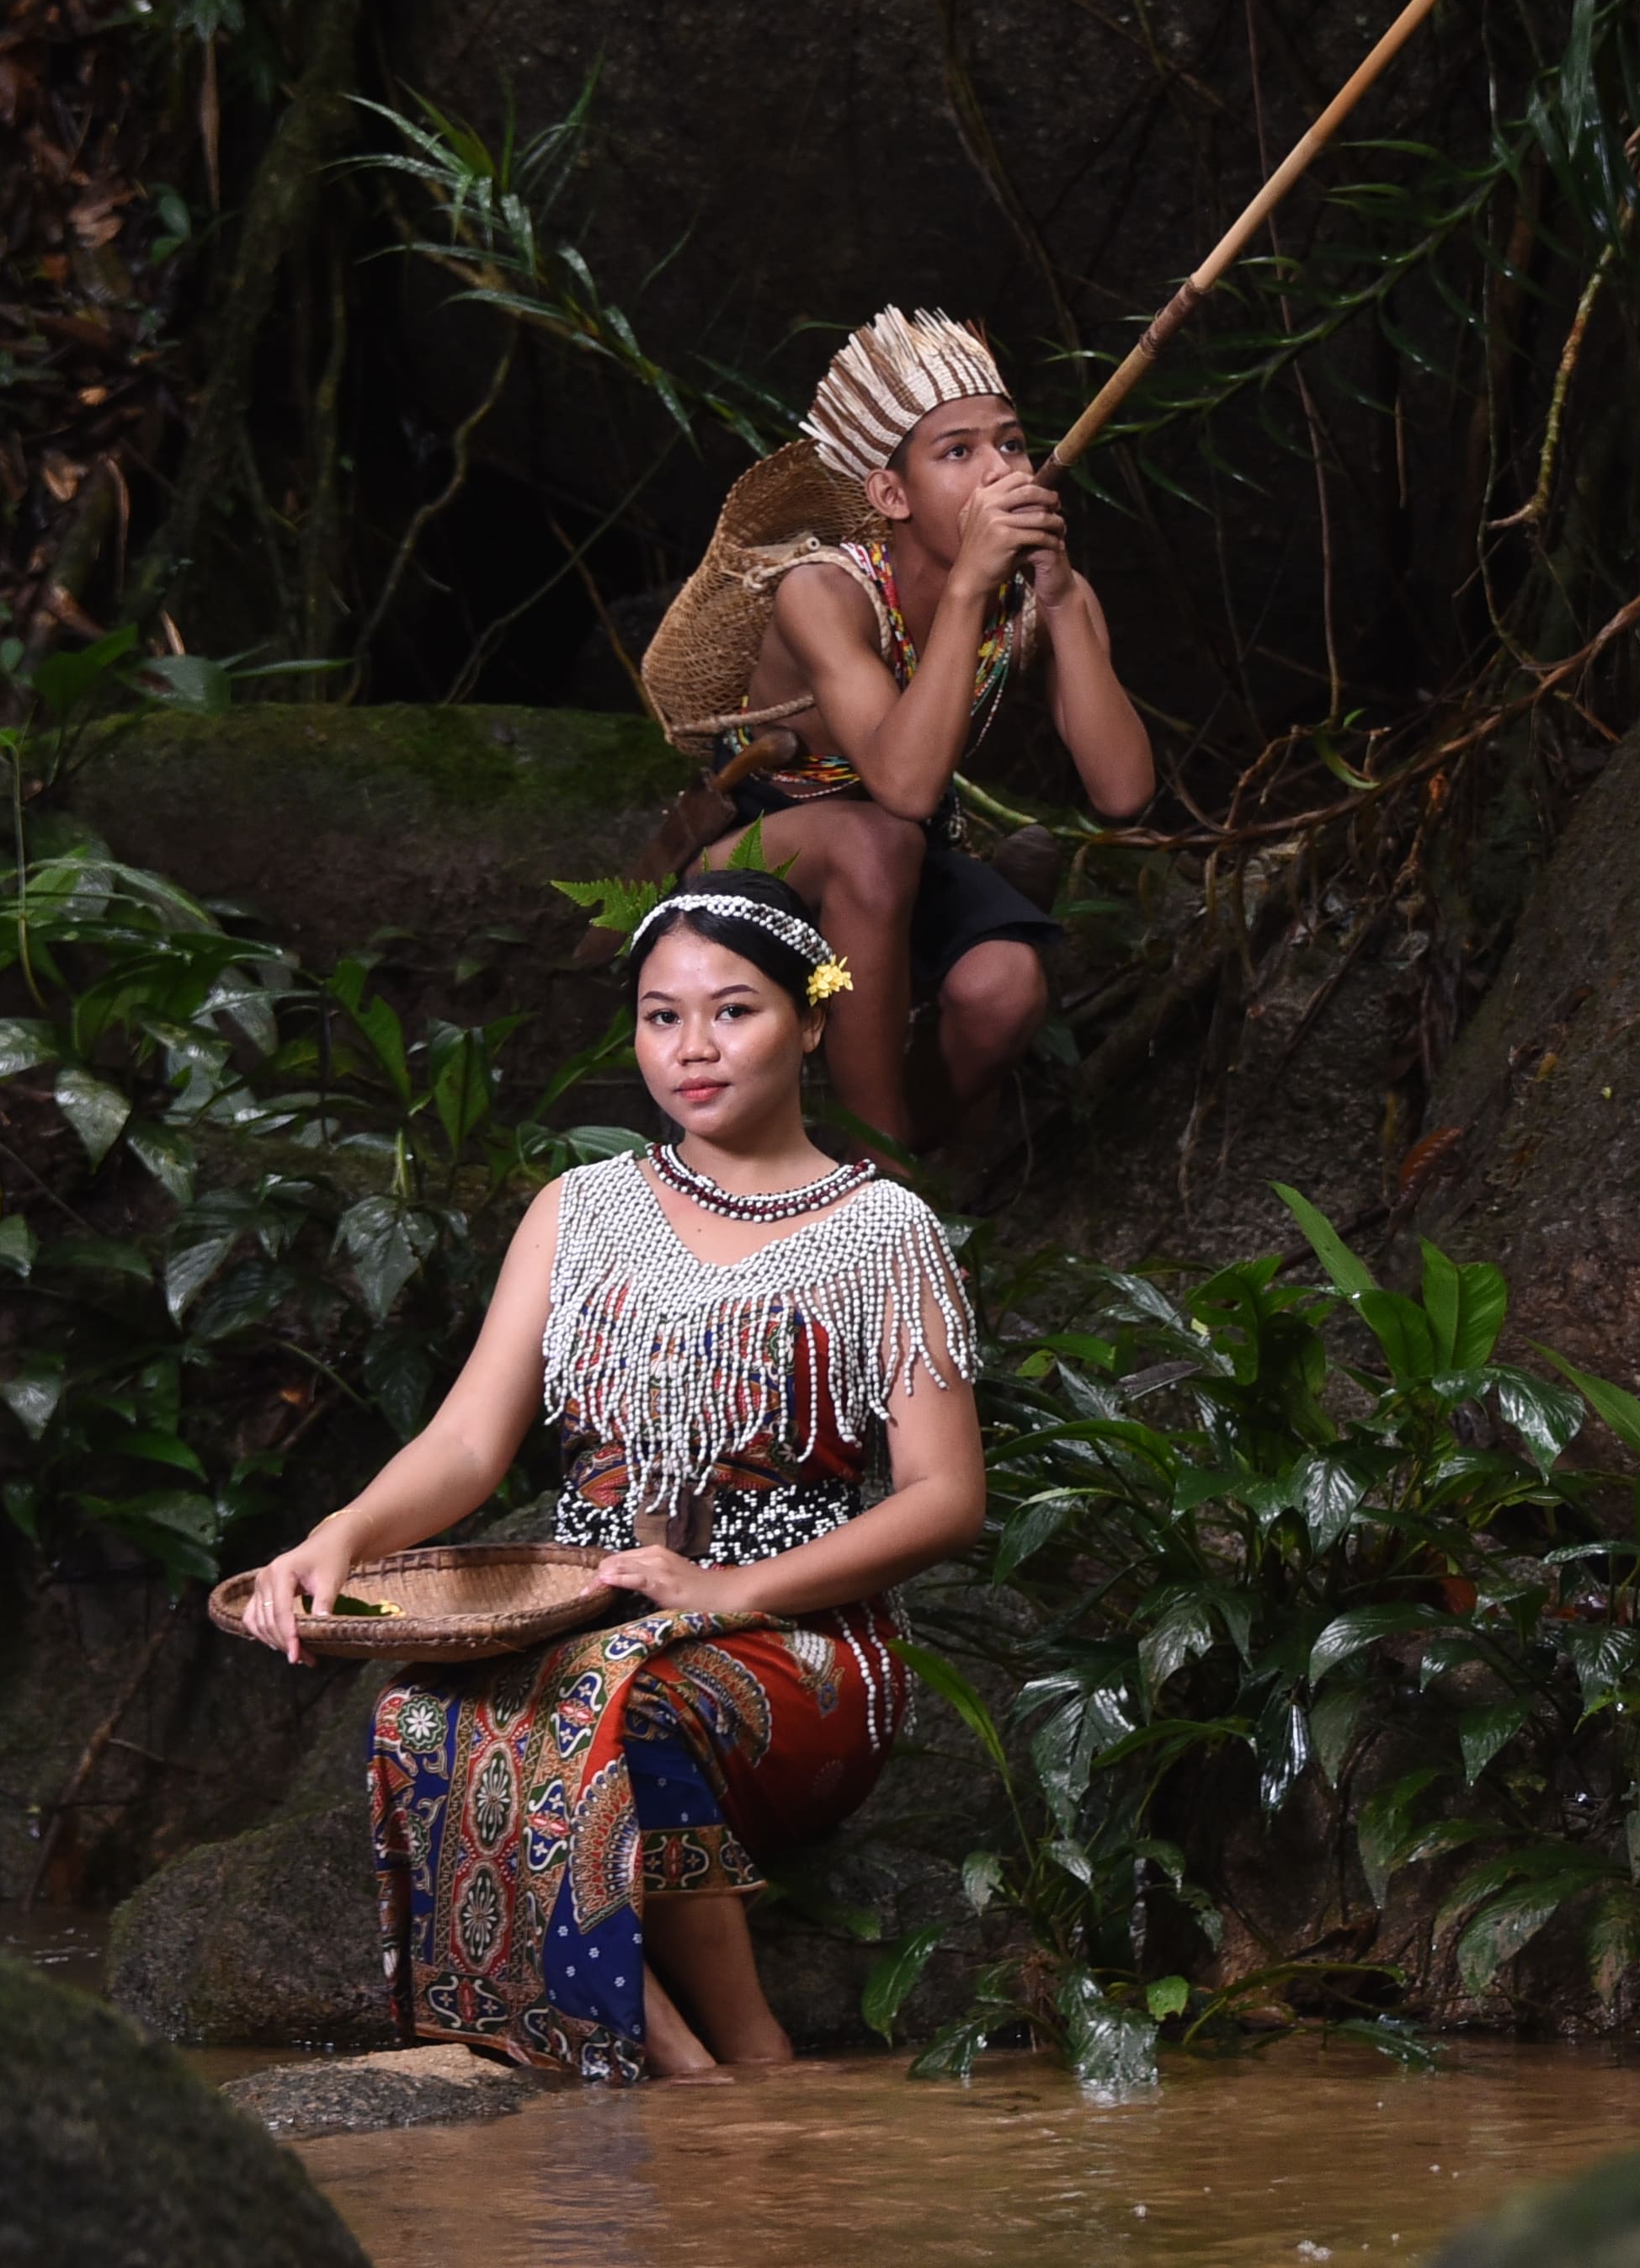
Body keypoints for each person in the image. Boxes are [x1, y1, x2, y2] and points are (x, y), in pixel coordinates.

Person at [234, 870, 986, 2081]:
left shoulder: (882, 1229)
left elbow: (946, 1498)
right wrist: (343, 1535)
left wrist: (725, 1594)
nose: (692, 1047)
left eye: (733, 1011)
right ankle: (684, 2068)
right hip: (593, 1607)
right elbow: (471, 1443)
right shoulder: (579, 1212)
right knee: (419, 1714)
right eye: (661, 1015)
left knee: (611, 1701)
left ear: (812, 1019)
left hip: (801, 1637)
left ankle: (749, 2046)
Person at [639, 308, 1158, 1144]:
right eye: (958, 451)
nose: (998, 471)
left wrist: (1060, 600)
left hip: (906, 849)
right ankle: (880, 1168)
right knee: (879, 840)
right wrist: (964, 593)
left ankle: (900, 1150)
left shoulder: (1036, 592)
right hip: (761, 847)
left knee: (1005, 987)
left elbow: (1123, 790)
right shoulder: (824, 591)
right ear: (891, 493)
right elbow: (905, 787)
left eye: (1011, 443)